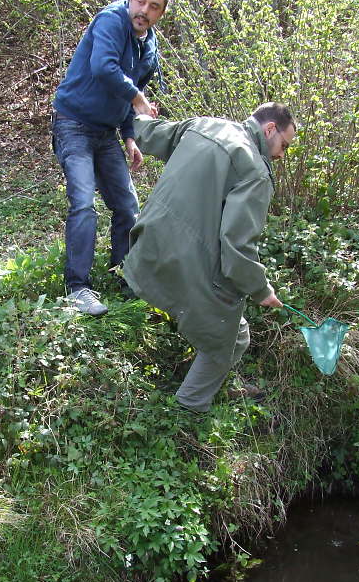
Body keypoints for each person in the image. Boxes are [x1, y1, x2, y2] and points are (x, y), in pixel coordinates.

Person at [122, 103, 295, 412]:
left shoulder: (205, 125)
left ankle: (217, 381)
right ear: (270, 130)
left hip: (144, 246)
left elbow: (147, 131)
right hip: (183, 264)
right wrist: (261, 290)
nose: (282, 155)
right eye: (284, 145)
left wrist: (135, 110)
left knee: (231, 329)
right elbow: (237, 249)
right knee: (230, 335)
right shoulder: (255, 171)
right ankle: (189, 407)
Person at [51, 0, 169, 316]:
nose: (144, 10)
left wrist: (130, 136)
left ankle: (125, 276)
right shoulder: (110, 20)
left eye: (154, 7)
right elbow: (103, 68)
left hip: (105, 132)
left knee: (127, 205)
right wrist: (137, 98)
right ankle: (77, 288)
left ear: (161, 14)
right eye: (141, 1)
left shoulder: (149, 45)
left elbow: (128, 95)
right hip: (73, 124)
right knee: (83, 203)